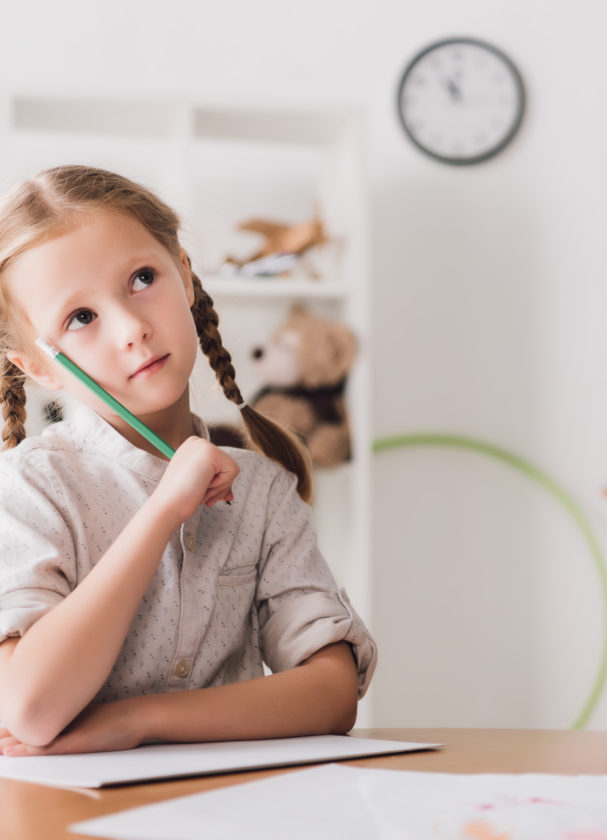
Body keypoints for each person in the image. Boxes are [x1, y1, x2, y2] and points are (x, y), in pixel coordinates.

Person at [0, 165, 376, 756]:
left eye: (143, 278)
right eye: (81, 318)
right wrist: (165, 510)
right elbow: (31, 710)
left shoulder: (262, 490)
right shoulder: (30, 488)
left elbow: (333, 694)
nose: (131, 329)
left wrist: (139, 721)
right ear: (40, 367)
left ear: (185, 274)